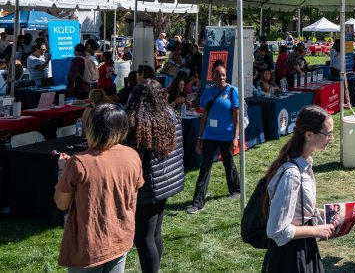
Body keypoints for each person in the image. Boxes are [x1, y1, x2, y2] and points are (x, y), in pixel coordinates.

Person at [54, 104, 144, 272]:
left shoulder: (79, 162)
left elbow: (62, 203)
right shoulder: (132, 155)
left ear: (92, 127)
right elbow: (133, 202)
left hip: (89, 246)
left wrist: (62, 170)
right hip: (120, 237)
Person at [263, 105, 335, 272]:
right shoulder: (292, 174)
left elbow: (295, 208)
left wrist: (321, 213)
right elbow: (276, 230)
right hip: (290, 256)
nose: (331, 138)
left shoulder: (305, 164)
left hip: (303, 246)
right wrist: (315, 230)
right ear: (309, 135)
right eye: (328, 134)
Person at [126, 79, 185, 273]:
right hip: (166, 182)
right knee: (154, 233)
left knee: (143, 237)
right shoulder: (170, 115)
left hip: (149, 186)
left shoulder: (140, 121)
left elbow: (134, 159)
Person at [187, 64, 241, 214]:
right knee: (205, 167)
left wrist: (235, 137)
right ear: (212, 76)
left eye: (223, 74)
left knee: (228, 163)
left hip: (227, 135)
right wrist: (200, 137)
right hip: (209, 135)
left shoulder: (232, 91)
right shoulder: (208, 93)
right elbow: (204, 116)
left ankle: (236, 189)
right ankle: (198, 202)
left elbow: (236, 116)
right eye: (218, 75)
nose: (221, 77)